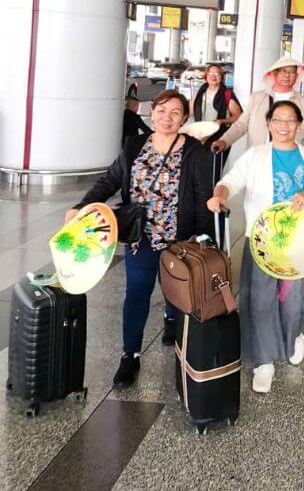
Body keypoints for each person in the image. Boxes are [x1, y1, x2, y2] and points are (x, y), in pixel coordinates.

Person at [66, 90, 214, 388]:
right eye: (162, 110)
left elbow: (202, 197)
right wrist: (82, 206)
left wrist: (201, 236)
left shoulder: (194, 151)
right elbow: (109, 179)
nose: (167, 117)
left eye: (175, 112)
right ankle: (129, 355)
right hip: (140, 238)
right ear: (152, 112)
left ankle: (172, 320)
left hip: (177, 239)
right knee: (136, 294)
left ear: (184, 118)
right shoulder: (134, 145)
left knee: (176, 290)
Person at [207, 101, 304, 394]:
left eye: (289, 121)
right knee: (261, 301)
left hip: (300, 245)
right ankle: (264, 361)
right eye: (277, 119)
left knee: (294, 302)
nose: (283, 125)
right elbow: (230, 182)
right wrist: (220, 195)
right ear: (267, 123)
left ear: (299, 125)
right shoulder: (256, 156)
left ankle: (294, 336)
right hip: (263, 241)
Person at [212, 56, 304, 153]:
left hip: (289, 160)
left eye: (291, 72)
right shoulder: (257, 98)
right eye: (283, 71)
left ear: (296, 76)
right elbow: (241, 124)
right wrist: (224, 141)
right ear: (275, 73)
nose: (287, 75)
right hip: (258, 158)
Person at [189, 63, 242, 147]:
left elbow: (239, 117)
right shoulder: (199, 94)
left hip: (219, 139)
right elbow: (189, 113)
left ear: (221, 77)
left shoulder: (227, 95)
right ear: (206, 77)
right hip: (200, 137)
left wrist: (222, 121)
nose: (213, 76)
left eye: (217, 74)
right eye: (210, 74)